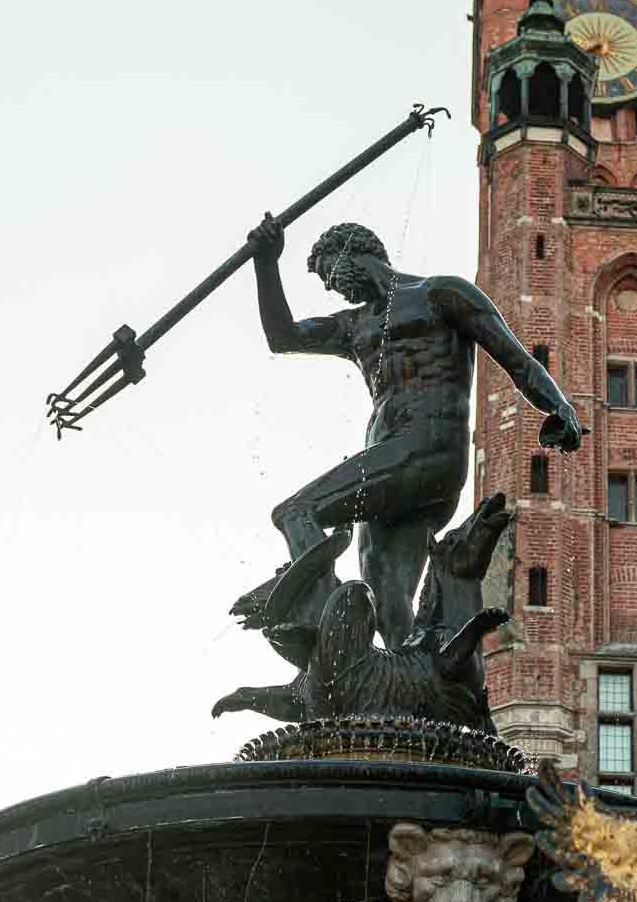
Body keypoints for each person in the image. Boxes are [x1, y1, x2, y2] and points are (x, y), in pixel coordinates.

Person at [244, 213, 581, 649]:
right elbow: (283, 336)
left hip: (428, 446)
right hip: (391, 463)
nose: (331, 288)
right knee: (386, 596)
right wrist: (265, 264)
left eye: (329, 273)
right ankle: (408, 686)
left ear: (349, 254)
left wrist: (558, 406)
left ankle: (328, 634)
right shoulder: (354, 326)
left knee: (294, 513)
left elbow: (514, 356)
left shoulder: (440, 293)